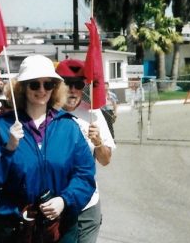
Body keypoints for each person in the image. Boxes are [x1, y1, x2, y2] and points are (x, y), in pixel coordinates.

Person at [0, 54, 96, 243]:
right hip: (15, 228)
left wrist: (64, 200)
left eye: (48, 84)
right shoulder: (2, 126)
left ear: (55, 88)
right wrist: (8, 150)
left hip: (60, 228)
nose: (41, 90)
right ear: (22, 87)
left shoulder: (69, 127)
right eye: (34, 84)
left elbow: (85, 175)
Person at [55, 59, 116, 243]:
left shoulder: (94, 114)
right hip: (57, 203)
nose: (73, 90)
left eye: (78, 84)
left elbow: (105, 160)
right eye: (68, 83)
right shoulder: (48, 112)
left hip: (88, 205)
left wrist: (98, 142)